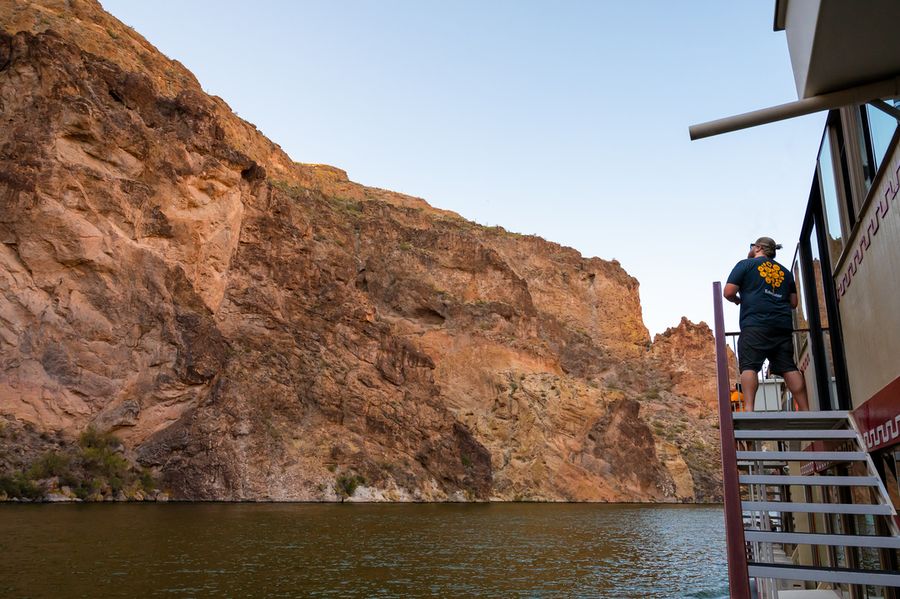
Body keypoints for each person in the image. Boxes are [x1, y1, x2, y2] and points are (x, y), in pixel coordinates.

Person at [724, 236, 809, 411]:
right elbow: (793, 303)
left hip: (755, 324)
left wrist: (738, 301)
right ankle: (806, 409)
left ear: (757, 248)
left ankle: (749, 409)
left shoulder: (745, 265)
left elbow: (728, 291)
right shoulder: (785, 272)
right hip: (782, 325)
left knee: (749, 366)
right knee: (788, 367)